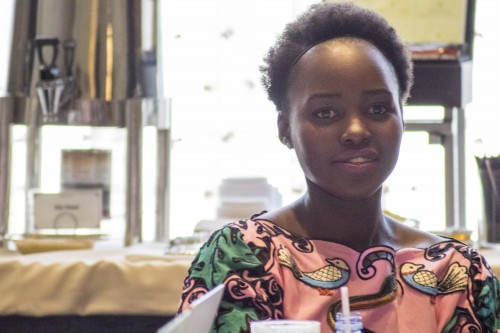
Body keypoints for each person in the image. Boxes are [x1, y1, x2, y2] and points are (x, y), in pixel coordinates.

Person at [177, 2, 500, 332]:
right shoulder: (246, 256)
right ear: (285, 129)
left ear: (402, 118)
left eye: (377, 108)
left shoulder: (456, 273)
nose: (357, 131)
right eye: (325, 113)